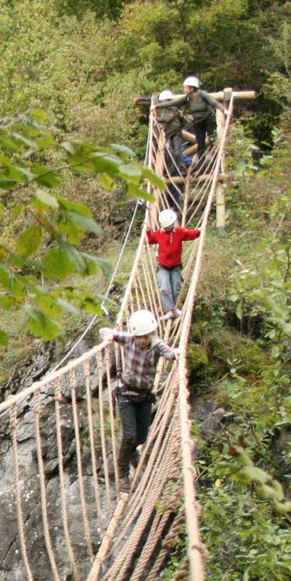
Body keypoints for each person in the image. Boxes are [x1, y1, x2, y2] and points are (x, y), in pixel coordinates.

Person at [99, 309, 178, 491]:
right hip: (126, 394)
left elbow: (168, 353)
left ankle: (133, 452)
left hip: (144, 397)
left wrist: (176, 353)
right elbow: (104, 330)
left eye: (146, 336)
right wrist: (109, 335)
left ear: (152, 334)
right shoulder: (128, 339)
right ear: (134, 335)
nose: (142, 340)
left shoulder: (157, 345)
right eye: (139, 337)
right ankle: (122, 474)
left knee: (141, 437)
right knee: (129, 435)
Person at [145, 209, 200, 314]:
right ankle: (170, 310)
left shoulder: (179, 232)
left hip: (176, 266)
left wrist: (199, 231)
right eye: (169, 225)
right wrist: (147, 231)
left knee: (176, 288)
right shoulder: (159, 233)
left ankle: (171, 308)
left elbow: (190, 234)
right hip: (163, 266)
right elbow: (151, 240)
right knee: (164, 288)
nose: (171, 226)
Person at [181, 76, 230, 162]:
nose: (183, 89)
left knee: (212, 140)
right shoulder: (188, 98)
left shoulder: (202, 94)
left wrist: (224, 110)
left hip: (208, 120)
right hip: (198, 122)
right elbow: (174, 102)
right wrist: (157, 106)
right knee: (200, 143)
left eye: (185, 87)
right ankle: (201, 164)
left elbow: (214, 103)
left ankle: (217, 161)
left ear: (191, 88)